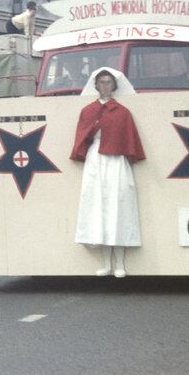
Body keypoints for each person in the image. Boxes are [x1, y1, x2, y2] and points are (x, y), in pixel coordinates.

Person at [69, 68, 145, 278]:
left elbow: (129, 138)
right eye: (101, 82)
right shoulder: (87, 110)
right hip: (96, 159)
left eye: (108, 82)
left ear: (114, 85)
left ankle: (120, 263)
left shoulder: (123, 112)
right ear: (96, 85)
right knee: (98, 206)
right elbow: (82, 135)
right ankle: (106, 263)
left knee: (118, 206)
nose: (105, 86)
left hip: (116, 159)